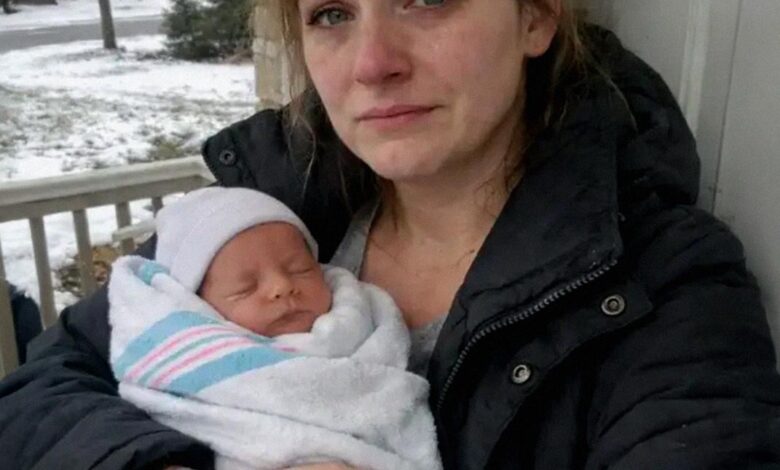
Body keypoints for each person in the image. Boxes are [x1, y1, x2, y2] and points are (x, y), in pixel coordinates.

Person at [0, 0, 779, 469]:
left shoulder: (666, 288)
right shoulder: (264, 213)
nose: (372, 63)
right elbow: (44, 385)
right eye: (331, 14)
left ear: (535, 17)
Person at [108, 187, 440, 470]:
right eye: (246, 287)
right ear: (198, 306)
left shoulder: (364, 323)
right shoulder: (183, 363)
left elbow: (391, 403)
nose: (282, 287)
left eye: (299, 269)